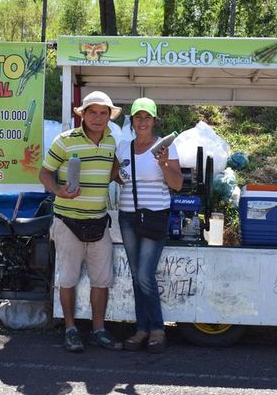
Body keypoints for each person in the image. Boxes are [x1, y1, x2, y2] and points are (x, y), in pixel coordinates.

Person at [39, 91, 123, 353]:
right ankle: (71, 329)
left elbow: (113, 170)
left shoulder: (112, 141)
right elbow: (44, 173)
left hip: (99, 221)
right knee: (68, 280)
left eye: (103, 113)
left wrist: (126, 174)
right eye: (93, 112)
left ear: (109, 116)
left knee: (102, 281)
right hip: (68, 221)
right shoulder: (65, 141)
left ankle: (98, 330)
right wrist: (58, 191)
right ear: (83, 115)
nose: (98, 118)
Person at [115, 97, 183, 353]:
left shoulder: (166, 148)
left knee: (145, 275)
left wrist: (163, 163)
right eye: (138, 117)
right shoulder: (123, 148)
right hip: (128, 217)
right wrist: (119, 173)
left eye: (147, 117)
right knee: (136, 276)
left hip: (155, 216)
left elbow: (177, 185)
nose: (142, 122)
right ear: (132, 121)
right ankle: (141, 329)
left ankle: (157, 329)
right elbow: (119, 177)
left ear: (154, 120)